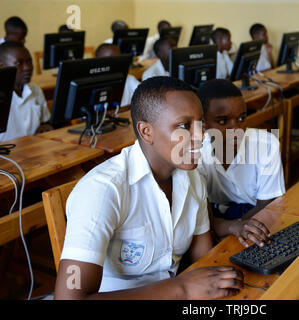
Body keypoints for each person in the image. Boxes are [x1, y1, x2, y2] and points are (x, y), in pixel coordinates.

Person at [54, 76, 244, 299]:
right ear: (146, 132)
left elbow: (203, 258)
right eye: (184, 126)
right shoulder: (103, 190)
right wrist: (180, 289)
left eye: (200, 124)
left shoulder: (192, 178)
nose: (201, 136)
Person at [196, 79, 285, 248]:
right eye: (222, 121)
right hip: (214, 221)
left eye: (242, 118)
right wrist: (230, 228)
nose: (236, 129)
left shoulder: (266, 145)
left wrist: (237, 227)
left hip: (256, 217)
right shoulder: (195, 152)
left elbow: (268, 204)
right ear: (203, 124)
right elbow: (203, 218)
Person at [0, 41, 51, 142]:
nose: (28, 68)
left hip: (33, 148)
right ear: (1, 66)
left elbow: (45, 121)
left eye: (29, 61)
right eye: (19, 63)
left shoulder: (35, 89)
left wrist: (46, 127)